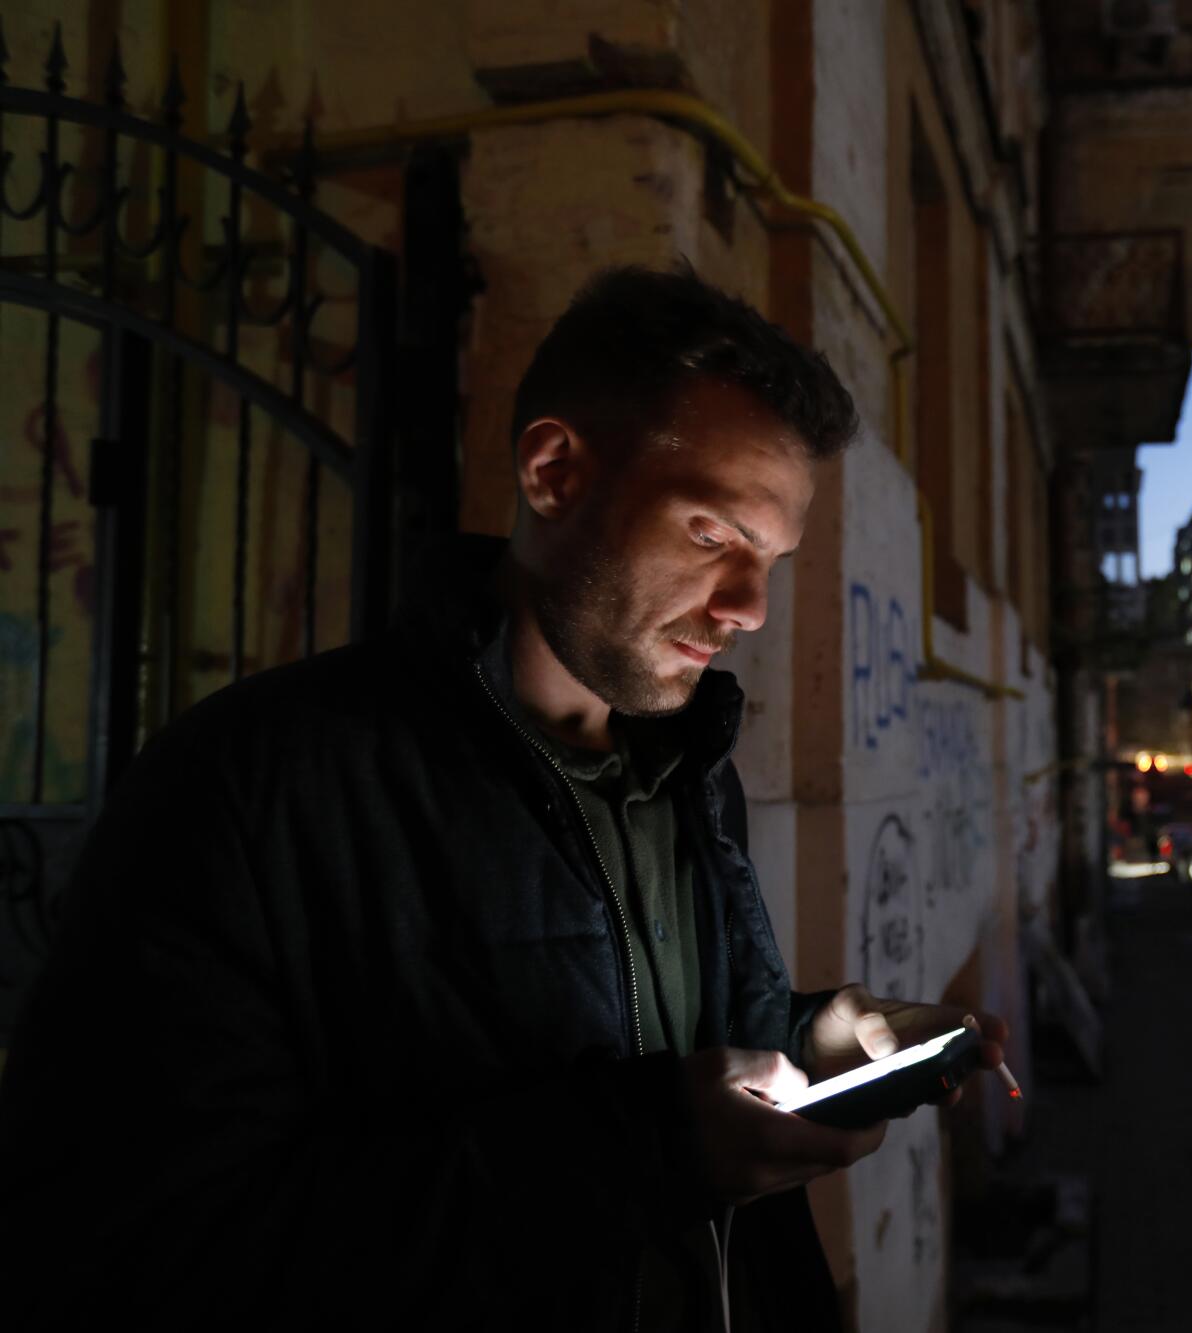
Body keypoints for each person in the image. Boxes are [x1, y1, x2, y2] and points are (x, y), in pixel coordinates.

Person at [0, 266, 1007, 1330]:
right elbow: (128, 1245)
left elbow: (671, 1042)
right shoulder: (250, 786)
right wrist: (646, 1148)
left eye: (770, 558)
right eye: (713, 534)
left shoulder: (686, 774)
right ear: (553, 471)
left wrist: (812, 1039)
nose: (750, 608)